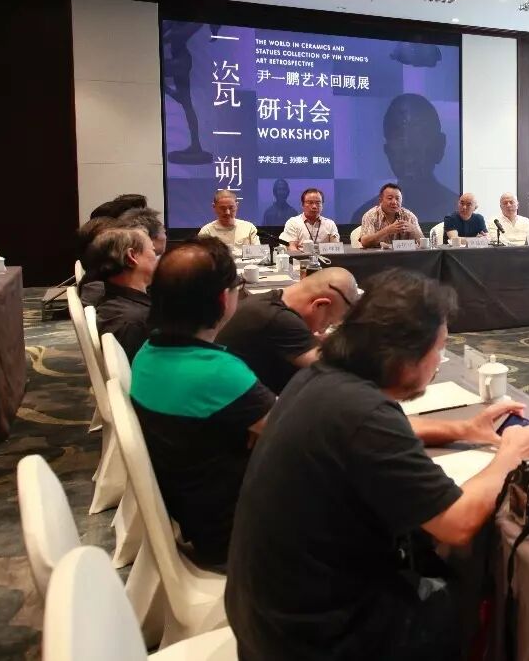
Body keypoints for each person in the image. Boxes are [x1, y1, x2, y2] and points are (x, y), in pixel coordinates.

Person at [226, 270, 529, 660]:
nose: (439, 361)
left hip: (266, 622)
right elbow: (456, 523)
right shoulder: (363, 413)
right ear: (404, 358)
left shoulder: (319, 379)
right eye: (439, 349)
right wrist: (511, 456)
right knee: (474, 593)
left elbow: (376, 432)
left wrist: (463, 429)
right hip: (318, 641)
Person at [129, 238, 274, 569]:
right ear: (224, 298)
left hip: (196, 514)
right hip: (240, 533)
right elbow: (297, 436)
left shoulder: (146, 353)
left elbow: (272, 426)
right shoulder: (218, 373)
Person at [216, 268, 359, 394]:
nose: (322, 330)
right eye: (327, 323)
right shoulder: (281, 320)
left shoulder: (268, 302)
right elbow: (336, 371)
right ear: (319, 304)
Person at [351, 94, 458, 224]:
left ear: (439, 146)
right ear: (388, 151)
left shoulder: (459, 211)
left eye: (419, 134)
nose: (407, 147)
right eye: (398, 136)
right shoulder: (366, 216)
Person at [83, 227, 158, 360]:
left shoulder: (116, 303)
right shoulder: (133, 321)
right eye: (153, 251)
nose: (157, 257)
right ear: (132, 257)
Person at [359, 183, 424, 248]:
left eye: (397, 198)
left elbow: (423, 243)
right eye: (390, 198)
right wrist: (386, 231)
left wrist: (414, 230)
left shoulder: (409, 216)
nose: (394, 202)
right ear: (380, 200)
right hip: (379, 254)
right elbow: (365, 242)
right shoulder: (371, 215)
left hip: (404, 254)